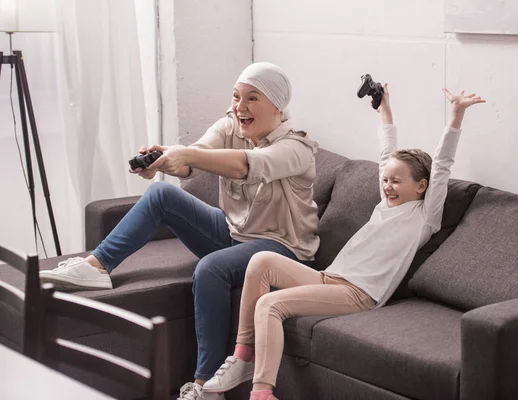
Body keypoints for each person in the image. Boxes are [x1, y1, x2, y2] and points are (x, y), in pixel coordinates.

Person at [39, 62, 321, 400]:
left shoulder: (297, 148)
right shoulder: (232, 126)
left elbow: (245, 165)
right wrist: (165, 158)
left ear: (277, 105)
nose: (239, 107)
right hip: (234, 232)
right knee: (162, 194)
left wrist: (184, 155)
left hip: (282, 250)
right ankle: (96, 267)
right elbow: (197, 156)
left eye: (252, 99)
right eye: (236, 97)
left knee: (210, 269)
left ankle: (204, 388)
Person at [201, 85, 486, 400]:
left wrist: (456, 115)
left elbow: (442, 166)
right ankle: (243, 357)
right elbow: (386, 151)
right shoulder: (384, 204)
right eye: (386, 180)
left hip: (359, 293)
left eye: (396, 182)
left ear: (421, 186)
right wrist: (385, 110)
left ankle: (262, 392)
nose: (388, 187)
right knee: (261, 261)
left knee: (271, 304)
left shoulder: (424, 216)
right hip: (329, 278)